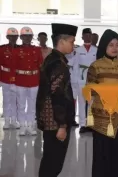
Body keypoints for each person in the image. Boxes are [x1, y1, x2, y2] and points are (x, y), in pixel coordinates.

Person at [83, 29, 118, 177]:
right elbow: (90, 91)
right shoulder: (95, 66)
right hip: (101, 119)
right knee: (102, 156)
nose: (115, 48)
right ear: (104, 45)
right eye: (111, 45)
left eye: (117, 45)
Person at [36, 23, 77, 177]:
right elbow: (58, 96)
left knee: (49, 161)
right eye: (72, 41)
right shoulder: (58, 64)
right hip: (55, 122)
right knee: (53, 164)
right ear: (62, 42)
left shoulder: (52, 59)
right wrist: (62, 125)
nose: (73, 45)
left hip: (50, 121)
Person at [14, 27, 43, 136]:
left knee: (32, 105)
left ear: (32, 37)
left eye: (29, 36)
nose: (27, 38)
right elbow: (13, 67)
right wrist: (13, 81)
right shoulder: (16, 50)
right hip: (20, 81)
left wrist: (40, 80)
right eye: (25, 36)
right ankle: (22, 126)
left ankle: (30, 126)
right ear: (21, 37)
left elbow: (41, 66)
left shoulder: (37, 50)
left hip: (34, 80)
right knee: (21, 105)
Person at [73, 28, 97, 133]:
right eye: (85, 35)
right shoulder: (77, 50)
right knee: (82, 102)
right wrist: (75, 80)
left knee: (91, 103)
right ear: (82, 37)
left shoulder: (96, 50)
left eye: (89, 35)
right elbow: (75, 66)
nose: (87, 37)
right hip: (81, 80)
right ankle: (82, 124)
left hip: (92, 80)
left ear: (91, 36)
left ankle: (90, 124)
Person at [0, 27, 20, 129]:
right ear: (7, 37)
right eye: (11, 36)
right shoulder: (2, 49)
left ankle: (15, 120)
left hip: (18, 79)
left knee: (16, 100)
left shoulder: (21, 49)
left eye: (15, 36)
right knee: (7, 100)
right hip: (5, 78)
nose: (13, 38)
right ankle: (7, 121)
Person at [66, 46, 80, 127]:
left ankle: (72, 119)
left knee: (74, 101)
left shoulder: (78, 56)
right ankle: (68, 119)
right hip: (68, 81)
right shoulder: (66, 56)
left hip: (77, 81)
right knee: (68, 101)